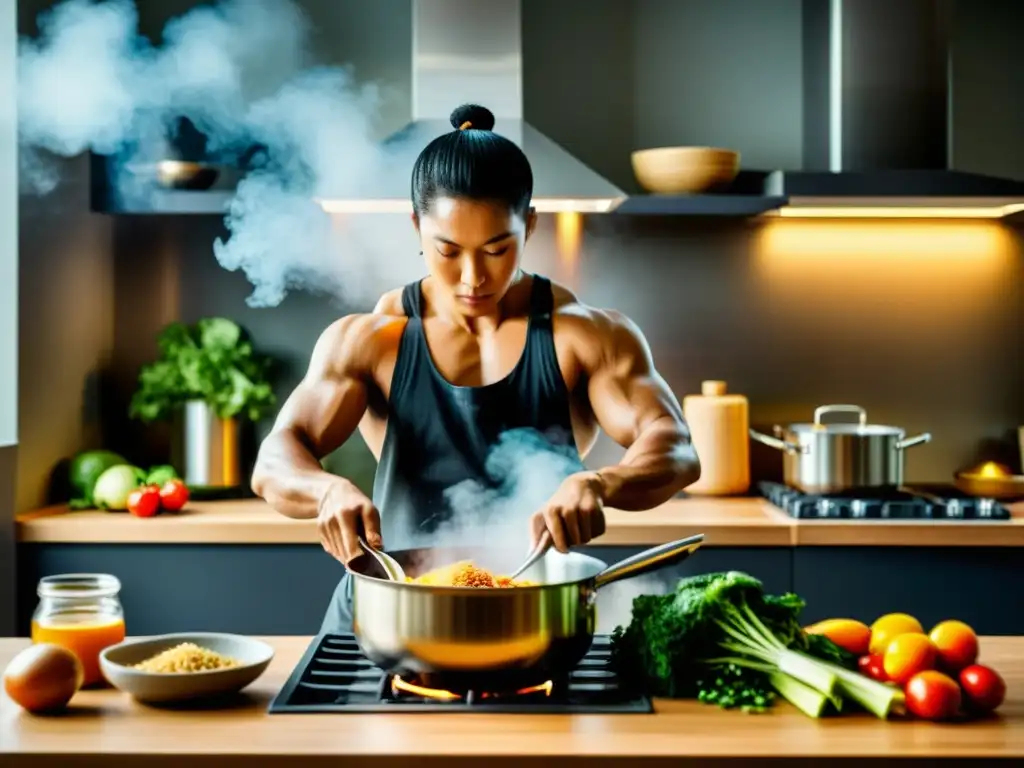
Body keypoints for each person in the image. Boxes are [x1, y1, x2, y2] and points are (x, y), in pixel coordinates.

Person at [250, 103, 701, 634]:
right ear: (417, 227)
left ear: (529, 226)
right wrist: (325, 490)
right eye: (447, 250)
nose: (472, 277)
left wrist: (602, 483)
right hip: (388, 616)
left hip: (534, 614)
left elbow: (675, 446)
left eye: (496, 249)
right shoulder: (370, 341)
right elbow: (275, 459)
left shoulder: (585, 335)